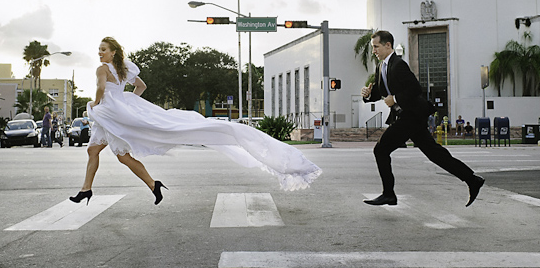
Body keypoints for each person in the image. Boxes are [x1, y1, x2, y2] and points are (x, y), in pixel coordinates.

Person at [70, 37, 322, 206]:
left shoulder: (102, 69)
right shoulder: (124, 68)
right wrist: (128, 103)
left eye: (103, 49)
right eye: (99, 49)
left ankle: (148, 184)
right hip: (114, 114)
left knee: (120, 156)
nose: (100, 52)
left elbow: (101, 90)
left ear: (112, 52)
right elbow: (142, 86)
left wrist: (96, 103)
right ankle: (88, 189)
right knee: (94, 151)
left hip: (107, 113)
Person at [360, 30, 484, 207]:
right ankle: (472, 180)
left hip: (411, 116)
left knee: (381, 150)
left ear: (388, 45)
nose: (374, 51)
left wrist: (394, 99)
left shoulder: (398, 64)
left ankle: (389, 194)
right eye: (373, 47)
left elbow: (415, 89)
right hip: (408, 117)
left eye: (376, 47)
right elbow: (381, 93)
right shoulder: (381, 67)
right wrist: (368, 95)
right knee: (434, 153)